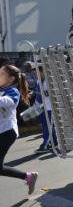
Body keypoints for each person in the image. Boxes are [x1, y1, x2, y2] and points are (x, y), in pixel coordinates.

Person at [0, 65, 38, 195]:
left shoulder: (12, 92)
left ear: (10, 79)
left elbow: (8, 102)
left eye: (1, 74)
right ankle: (28, 176)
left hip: (6, 132)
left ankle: (29, 176)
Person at [34, 66, 58, 153]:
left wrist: (42, 93)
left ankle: (45, 144)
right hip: (41, 107)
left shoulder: (50, 80)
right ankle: (55, 143)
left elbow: (54, 93)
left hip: (50, 107)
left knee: (47, 126)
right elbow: (38, 95)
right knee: (49, 126)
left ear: (43, 72)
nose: (36, 74)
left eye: (38, 72)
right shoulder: (38, 81)